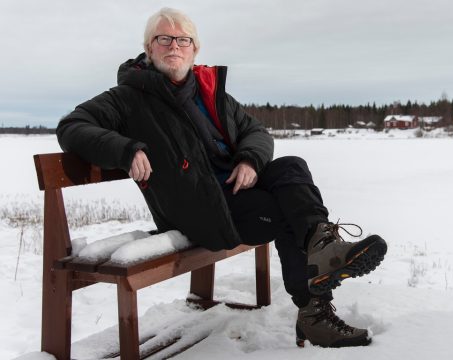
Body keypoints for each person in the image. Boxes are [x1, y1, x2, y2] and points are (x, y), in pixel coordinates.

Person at [56, 7, 387, 348]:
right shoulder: (128, 98)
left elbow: (255, 131)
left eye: (183, 40)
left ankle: (322, 248)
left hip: (235, 192)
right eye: (164, 39)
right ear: (149, 47)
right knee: (288, 211)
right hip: (194, 208)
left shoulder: (209, 92)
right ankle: (315, 306)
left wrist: (250, 160)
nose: (174, 46)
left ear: (194, 49)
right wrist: (125, 150)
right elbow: (72, 127)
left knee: (291, 167)